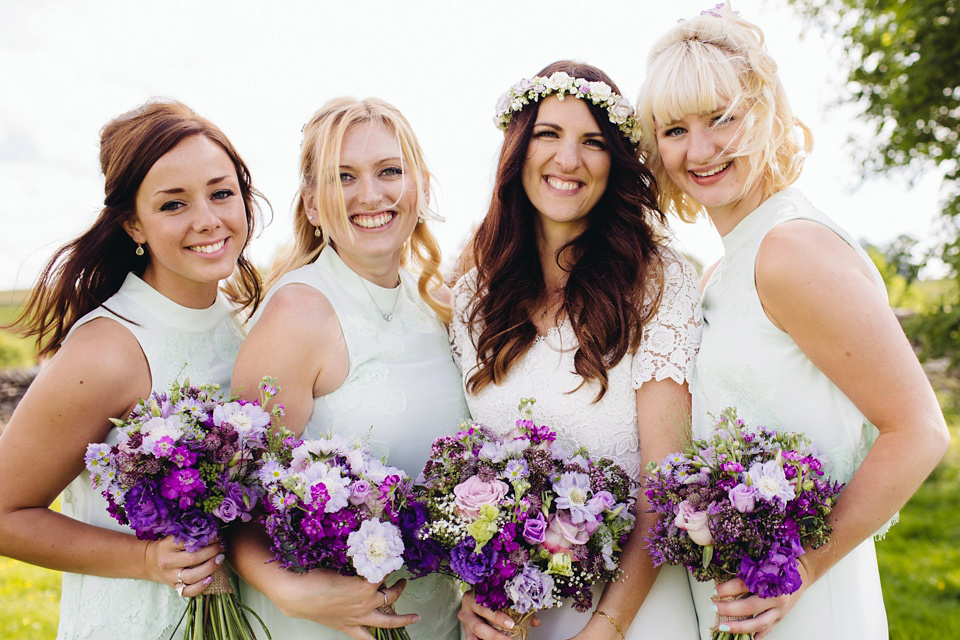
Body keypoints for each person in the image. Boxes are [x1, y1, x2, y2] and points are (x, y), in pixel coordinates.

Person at [635, 6, 950, 639]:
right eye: (675, 129)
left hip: (800, 604)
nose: (699, 150)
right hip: (742, 601)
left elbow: (919, 431)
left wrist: (801, 567)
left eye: (721, 119)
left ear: (765, 115)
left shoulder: (790, 250)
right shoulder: (725, 268)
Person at [451, 60, 703, 640]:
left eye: (593, 142)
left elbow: (666, 483)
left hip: (634, 613)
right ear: (518, 150)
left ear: (614, 163)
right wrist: (472, 594)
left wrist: (606, 628)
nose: (568, 160)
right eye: (549, 134)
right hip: (513, 620)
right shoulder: (473, 298)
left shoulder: (658, 282)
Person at [0, 99, 265, 639]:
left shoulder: (244, 322)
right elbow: (6, 513)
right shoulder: (109, 350)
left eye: (221, 192)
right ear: (133, 224)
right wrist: (145, 560)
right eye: (173, 205)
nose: (207, 220)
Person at [228, 96, 470, 640]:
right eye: (344, 178)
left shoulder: (437, 303)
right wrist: (288, 590)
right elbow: (237, 494)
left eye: (389, 171)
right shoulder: (297, 313)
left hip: (437, 617)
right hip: (328, 623)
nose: (370, 195)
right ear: (313, 204)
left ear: (421, 186)